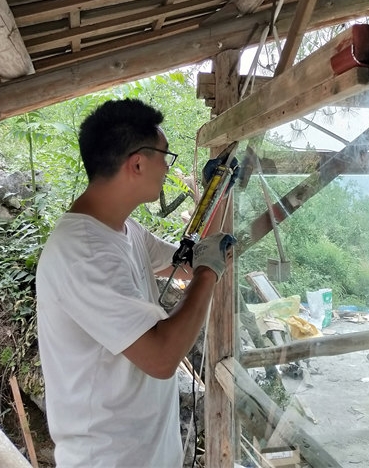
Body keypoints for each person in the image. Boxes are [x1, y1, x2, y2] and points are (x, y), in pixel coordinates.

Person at [36, 98, 235, 468]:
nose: (167, 167)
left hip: (147, 453)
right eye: (165, 156)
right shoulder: (82, 253)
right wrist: (208, 273)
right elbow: (161, 357)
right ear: (138, 163)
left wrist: (216, 196)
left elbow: (190, 262)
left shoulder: (124, 230)